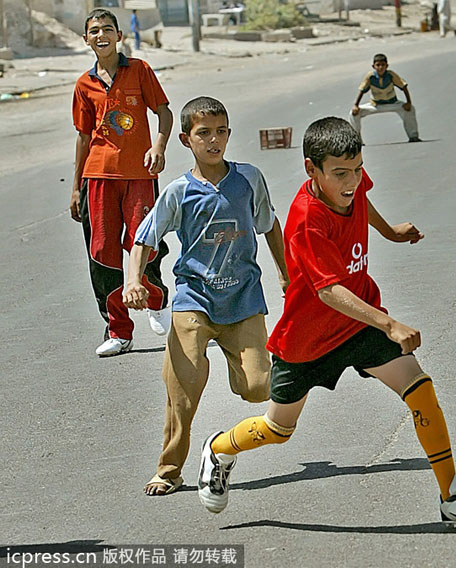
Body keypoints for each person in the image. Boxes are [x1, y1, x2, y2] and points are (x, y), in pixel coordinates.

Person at [195, 116, 456, 531]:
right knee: (278, 429)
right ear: (311, 169)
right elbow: (328, 292)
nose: (352, 180)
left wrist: (389, 232)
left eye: (357, 169)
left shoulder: (351, 182)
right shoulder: (305, 220)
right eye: (340, 174)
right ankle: (218, 449)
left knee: (421, 391)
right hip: (309, 339)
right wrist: (390, 325)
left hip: (358, 324)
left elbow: (361, 201)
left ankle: (452, 497)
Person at [123, 96, 290, 497]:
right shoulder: (179, 191)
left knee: (257, 389)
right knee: (181, 395)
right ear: (186, 139)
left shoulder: (249, 178)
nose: (213, 140)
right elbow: (143, 239)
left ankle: (241, 363)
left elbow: (269, 225)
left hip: (243, 301)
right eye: (204, 133)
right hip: (193, 300)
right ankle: (169, 469)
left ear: (229, 134)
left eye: (220, 132)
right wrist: (135, 281)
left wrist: (288, 273)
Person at [71, 9, 173, 357]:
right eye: (94, 31)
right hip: (97, 176)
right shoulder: (84, 84)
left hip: (139, 175)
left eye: (107, 29)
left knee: (146, 242)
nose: (101, 35)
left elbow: (163, 111)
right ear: (86, 39)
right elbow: (84, 137)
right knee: (102, 254)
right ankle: (119, 330)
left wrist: (158, 146)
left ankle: (156, 299)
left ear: (119, 36)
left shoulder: (139, 69)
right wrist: (75, 187)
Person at [350, 54, 421, 144]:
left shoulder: (391, 75)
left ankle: (413, 136)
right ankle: (357, 141)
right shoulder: (370, 76)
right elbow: (362, 90)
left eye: (383, 65)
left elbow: (404, 87)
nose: (380, 67)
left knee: (410, 110)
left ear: (387, 66)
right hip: (375, 105)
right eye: (378, 65)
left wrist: (408, 102)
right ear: (373, 66)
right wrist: (355, 105)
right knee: (353, 114)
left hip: (392, 103)